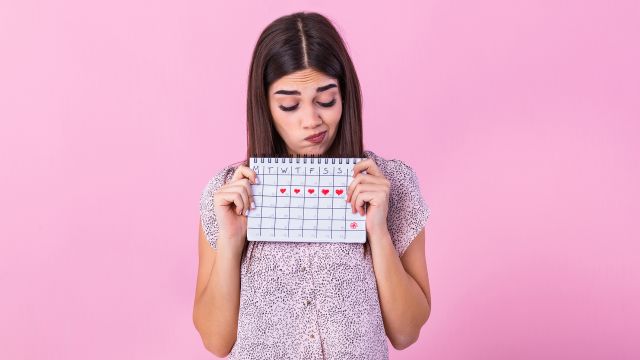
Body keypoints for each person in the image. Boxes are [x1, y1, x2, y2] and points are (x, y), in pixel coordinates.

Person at [193, 11, 432, 360]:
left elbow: (406, 332)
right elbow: (216, 341)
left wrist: (378, 233)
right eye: (289, 105)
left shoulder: (392, 184)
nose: (311, 120)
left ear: (345, 95)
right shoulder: (227, 194)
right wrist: (231, 242)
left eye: (326, 100)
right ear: (265, 106)